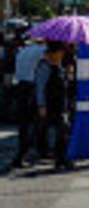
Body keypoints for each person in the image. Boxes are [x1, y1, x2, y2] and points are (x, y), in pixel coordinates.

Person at [8, 34, 45, 169]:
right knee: (34, 124)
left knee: (24, 124)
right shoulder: (41, 51)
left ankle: (28, 152)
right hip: (31, 87)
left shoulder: (22, 51)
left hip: (19, 86)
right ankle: (21, 156)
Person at [34, 42, 72, 171]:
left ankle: (61, 159)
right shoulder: (44, 67)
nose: (62, 55)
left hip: (60, 104)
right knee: (56, 132)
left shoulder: (59, 67)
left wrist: (68, 76)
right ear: (53, 54)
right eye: (60, 53)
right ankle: (59, 158)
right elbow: (40, 87)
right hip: (51, 105)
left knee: (62, 132)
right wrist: (41, 105)